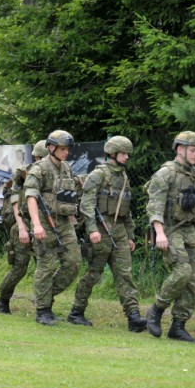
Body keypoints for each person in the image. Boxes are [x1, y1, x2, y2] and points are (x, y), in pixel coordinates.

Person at [66, 136, 146, 332]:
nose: (127, 157)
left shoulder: (124, 177)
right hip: (101, 230)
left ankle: (134, 317)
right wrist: (92, 229)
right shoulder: (98, 175)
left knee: (125, 274)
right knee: (93, 274)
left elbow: (126, 209)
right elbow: (86, 204)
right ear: (112, 153)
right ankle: (76, 311)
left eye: (128, 153)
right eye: (124, 153)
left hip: (119, 231)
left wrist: (130, 235)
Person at [144, 131, 195, 343]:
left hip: (191, 229)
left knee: (194, 278)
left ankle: (178, 326)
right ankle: (157, 309)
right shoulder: (165, 173)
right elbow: (154, 205)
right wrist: (159, 233)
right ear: (179, 149)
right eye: (193, 150)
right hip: (170, 228)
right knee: (182, 271)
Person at [24, 130, 82, 325]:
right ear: (51, 148)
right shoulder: (39, 169)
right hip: (44, 223)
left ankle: (45, 296)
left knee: (74, 263)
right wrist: (37, 224)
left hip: (64, 223)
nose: (66, 152)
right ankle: (43, 309)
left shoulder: (66, 168)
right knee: (46, 266)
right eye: (63, 149)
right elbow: (31, 196)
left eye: (68, 149)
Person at [0, 140, 48, 313]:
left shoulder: (52, 174)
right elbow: (14, 200)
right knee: (20, 267)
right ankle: (3, 300)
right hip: (22, 226)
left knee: (45, 266)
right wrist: (21, 228)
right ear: (37, 156)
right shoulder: (23, 175)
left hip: (42, 227)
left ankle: (45, 307)